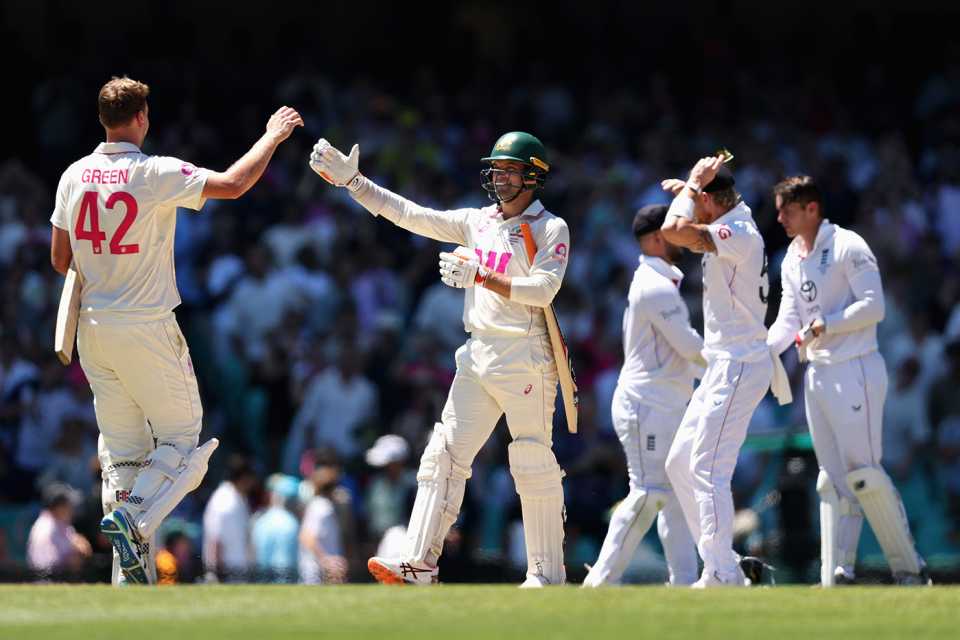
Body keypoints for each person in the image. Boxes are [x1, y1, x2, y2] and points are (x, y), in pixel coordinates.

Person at [48, 76, 303, 584]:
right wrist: (272, 136)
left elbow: (60, 260)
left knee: (122, 454)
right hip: (145, 324)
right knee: (184, 443)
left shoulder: (73, 175)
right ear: (142, 117)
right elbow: (233, 184)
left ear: (103, 119)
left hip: (93, 330)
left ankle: (129, 577)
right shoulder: (154, 171)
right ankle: (135, 518)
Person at [308, 131, 570, 587]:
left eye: (509, 170)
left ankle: (546, 574)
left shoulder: (551, 228)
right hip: (478, 352)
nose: (499, 177)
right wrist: (354, 183)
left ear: (533, 175)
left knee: (531, 459)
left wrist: (483, 276)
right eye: (497, 169)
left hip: (525, 356)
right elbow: (412, 215)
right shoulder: (477, 220)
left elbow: (544, 289)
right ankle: (419, 562)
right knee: (443, 454)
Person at [767, 175, 929, 586]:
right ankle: (839, 573)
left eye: (787, 209)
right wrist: (764, 350)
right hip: (817, 373)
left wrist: (828, 324)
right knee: (834, 479)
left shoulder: (847, 245)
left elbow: (874, 307)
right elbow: (789, 317)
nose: (780, 217)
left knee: (864, 474)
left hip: (856, 367)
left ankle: (910, 569)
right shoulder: (791, 257)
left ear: (811, 209)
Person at [659, 155, 782, 587]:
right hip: (723, 362)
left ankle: (722, 572)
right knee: (679, 464)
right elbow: (688, 222)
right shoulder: (731, 220)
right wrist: (693, 192)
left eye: (701, 201)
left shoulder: (739, 232)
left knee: (708, 468)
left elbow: (671, 232)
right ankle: (724, 562)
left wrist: (693, 183)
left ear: (711, 200)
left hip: (740, 363)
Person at [582, 205, 702, 587]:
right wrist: (740, 364)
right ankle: (599, 581)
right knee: (649, 493)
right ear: (656, 238)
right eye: (676, 229)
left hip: (663, 403)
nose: (685, 235)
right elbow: (690, 347)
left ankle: (684, 583)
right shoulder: (653, 286)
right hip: (647, 405)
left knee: (676, 496)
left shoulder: (662, 281)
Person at [202, 454, 258, 582]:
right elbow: (215, 540)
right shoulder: (225, 501)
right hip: (226, 576)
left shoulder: (239, 498)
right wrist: (217, 575)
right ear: (245, 478)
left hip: (238, 575)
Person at [27, 483, 92, 578]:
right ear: (57, 507)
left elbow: (82, 545)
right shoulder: (46, 527)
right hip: (45, 580)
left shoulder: (61, 523)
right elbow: (46, 564)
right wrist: (75, 552)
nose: (71, 508)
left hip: (57, 577)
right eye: (67, 505)